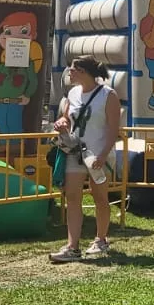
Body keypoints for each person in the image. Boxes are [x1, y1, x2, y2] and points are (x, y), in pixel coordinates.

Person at [49, 56, 121, 262]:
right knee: (72, 197)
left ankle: (101, 239)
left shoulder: (108, 95)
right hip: (74, 153)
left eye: (72, 69)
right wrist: (61, 123)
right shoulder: (72, 93)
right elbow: (66, 117)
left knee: (100, 197)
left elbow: (113, 128)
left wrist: (103, 154)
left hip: (98, 155)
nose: (69, 73)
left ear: (83, 72)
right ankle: (72, 247)